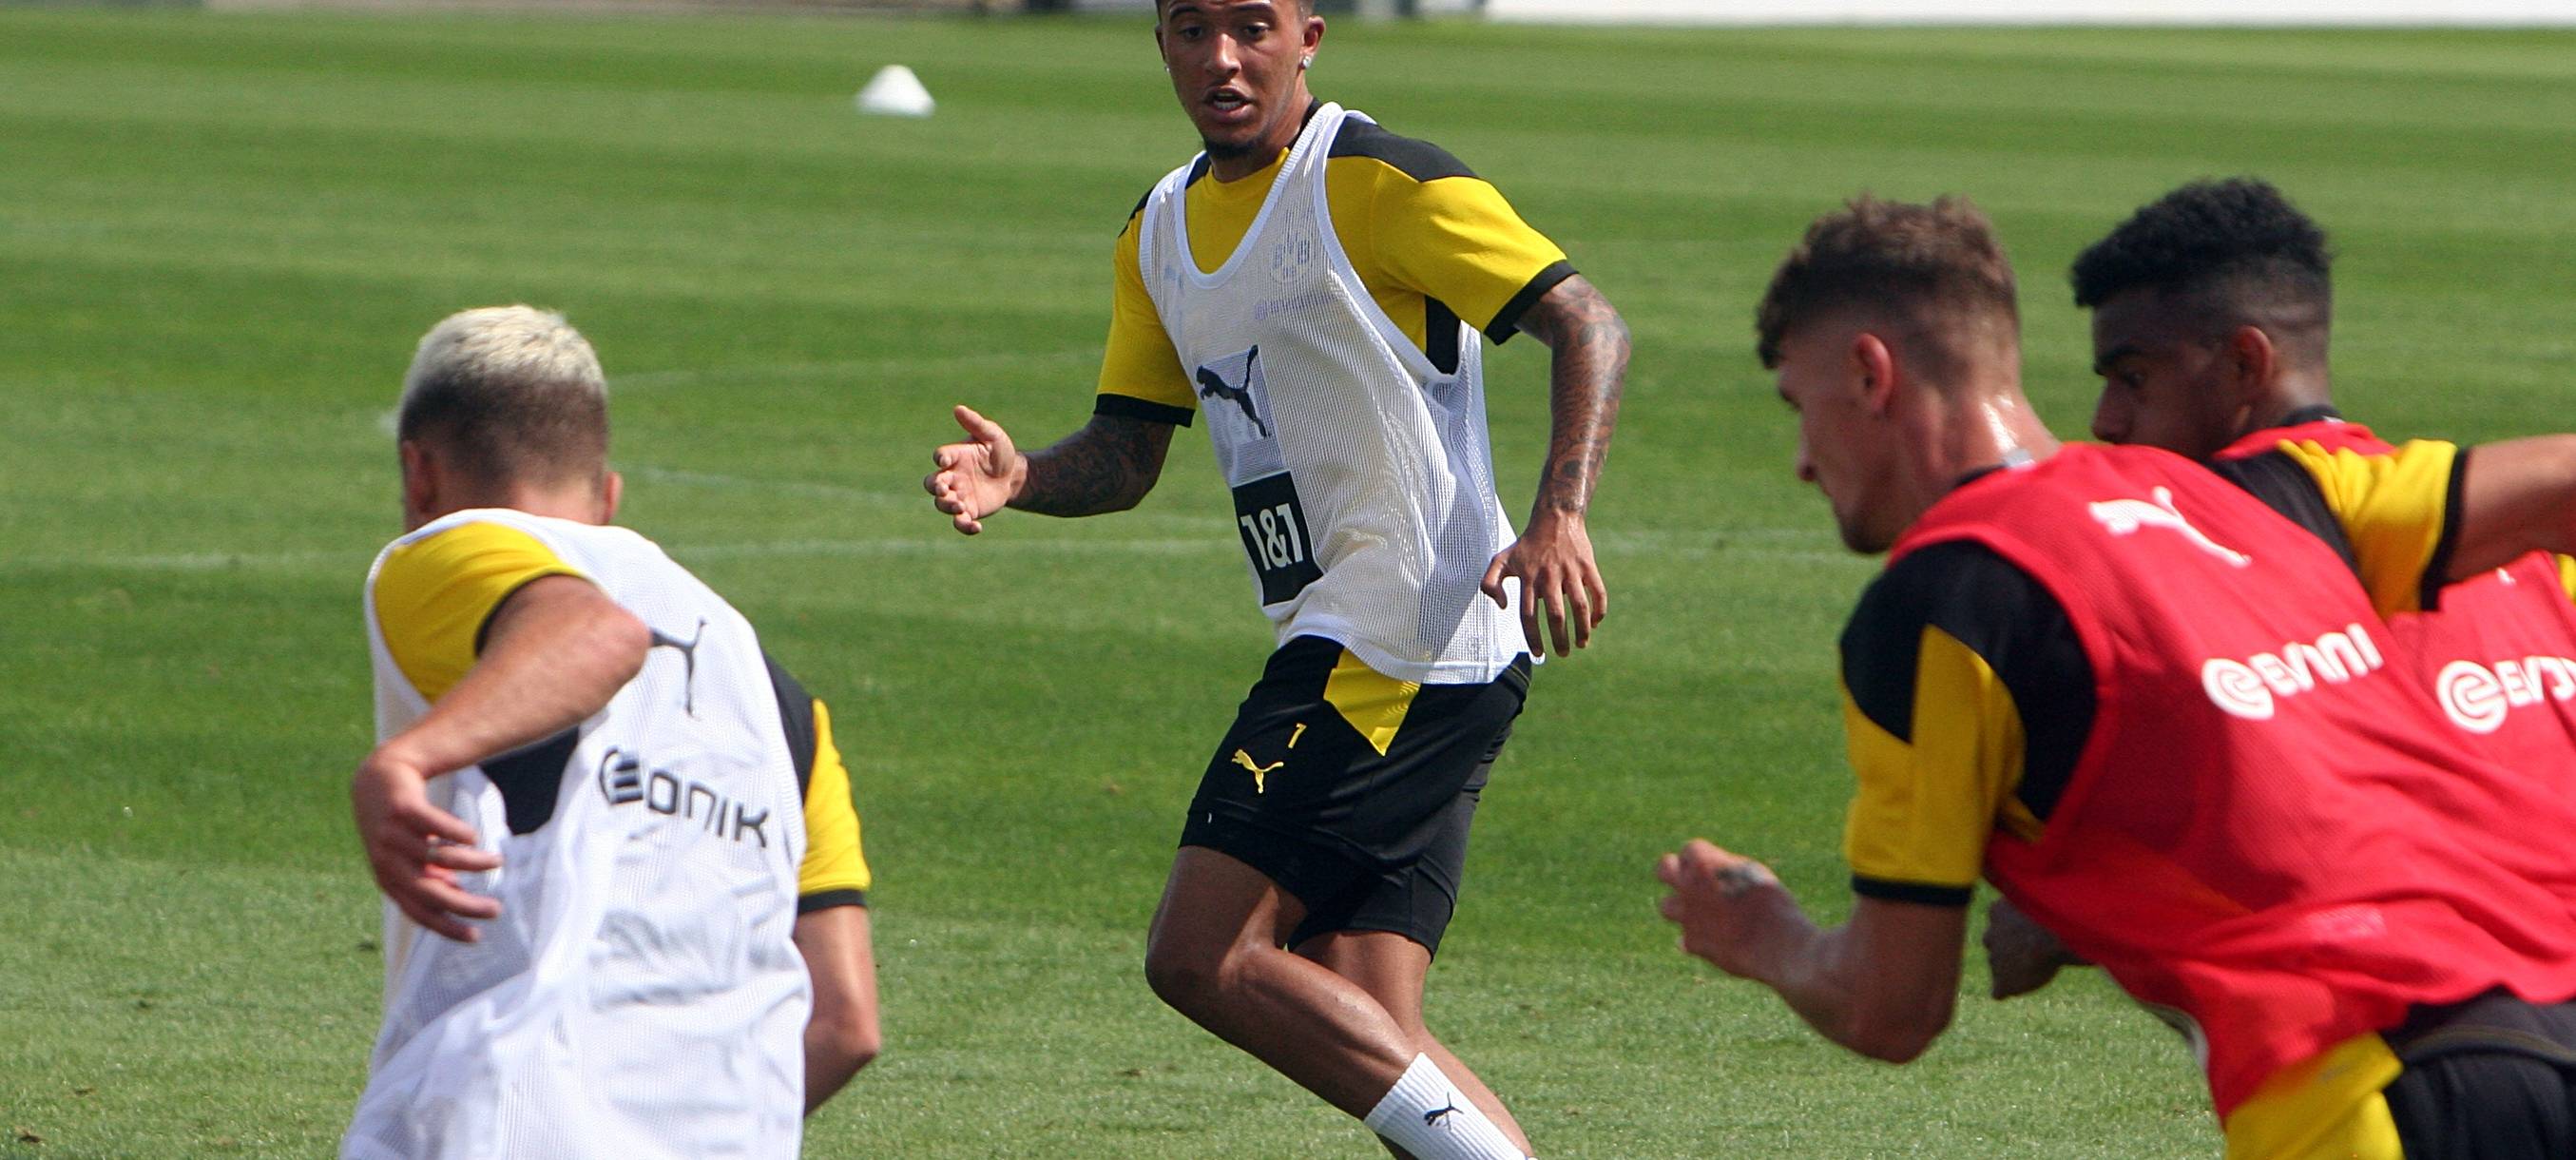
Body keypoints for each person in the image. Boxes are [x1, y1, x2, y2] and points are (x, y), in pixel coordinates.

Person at [1656, 196, 2576, 1160]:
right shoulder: (2265, 491)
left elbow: (1894, 1008)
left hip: (2380, 1097)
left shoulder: (1944, 600)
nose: (1804, 461)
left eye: (1801, 409)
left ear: (1868, 372)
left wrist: (1766, 937)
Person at [923, 2, 1626, 1155]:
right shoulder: (1156, 231)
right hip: (1391, 642)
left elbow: (1587, 321)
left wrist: (1561, 514)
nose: (1221, 58)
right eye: (1190, 28)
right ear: (1158, 43)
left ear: (1309, 36)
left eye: (1251, 26)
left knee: (1200, 952)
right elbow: (1127, 452)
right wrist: (1022, 478)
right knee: (1370, 1021)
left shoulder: (1378, 180)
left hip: (1400, 635)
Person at [1987, 178, 2576, 1001]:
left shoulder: (2239, 562)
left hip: (2450, 1060)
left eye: (2132, 377)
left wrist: (2073, 911)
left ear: (2244, 364)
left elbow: (2318, 830)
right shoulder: (2534, 549)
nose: (2108, 419)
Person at [343, 306, 879, 1160]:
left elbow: (599, 635)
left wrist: (406, 759)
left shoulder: (451, 547)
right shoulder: (781, 700)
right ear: (610, 496)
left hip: (498, 1117)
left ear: (419, 475)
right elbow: (846, 1022)